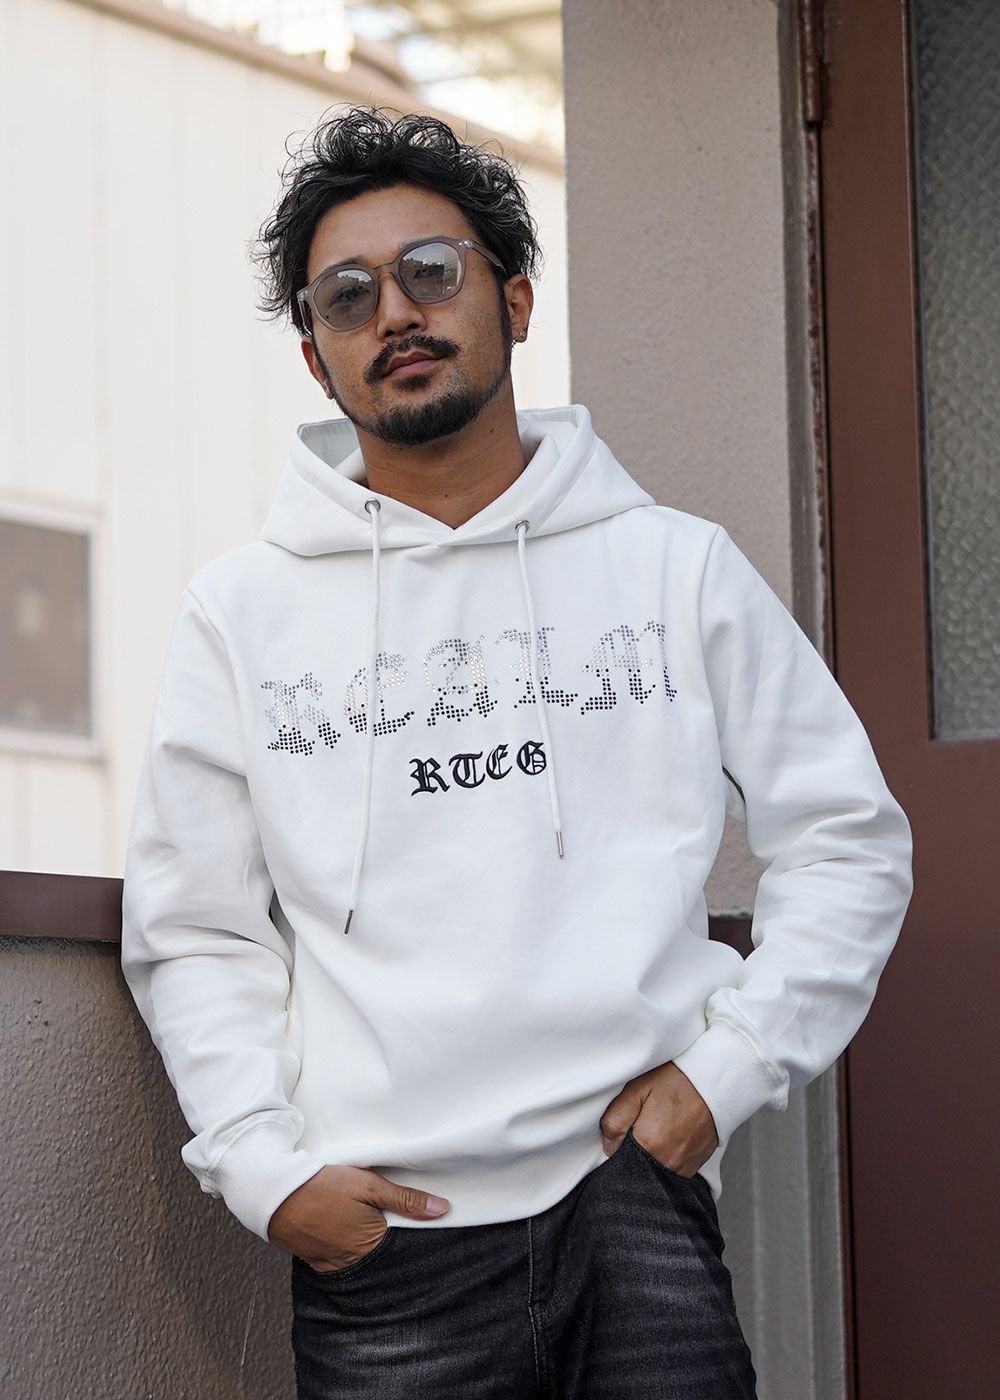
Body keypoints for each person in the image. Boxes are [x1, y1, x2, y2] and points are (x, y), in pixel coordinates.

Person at [120, 104, 913, 1399]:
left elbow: (848, 838)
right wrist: (265, 1171)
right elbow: (195, 928)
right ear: (318, 359)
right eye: (347, 296)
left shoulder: (673, 568)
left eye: (432, 271)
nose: (395, 313)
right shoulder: (241, 614)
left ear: (517, 300)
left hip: (632, 1194)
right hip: (389, 1239)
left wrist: (727, 1071)